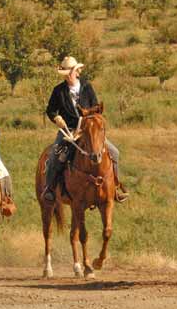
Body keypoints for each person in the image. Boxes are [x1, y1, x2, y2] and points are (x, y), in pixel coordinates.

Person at [42, 56, 129, 203]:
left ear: (77, 72)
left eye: (71, 72)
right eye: (66, 73)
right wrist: (56, 118)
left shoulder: (87, 87)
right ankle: (50, 188)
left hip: (89, 130)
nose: (69, 76)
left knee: (114, 152)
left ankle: (115, 187)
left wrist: (89, 117)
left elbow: (95, 107)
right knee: (55, 155)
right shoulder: (58, 91)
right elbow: (51, 110)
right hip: (68, 130)